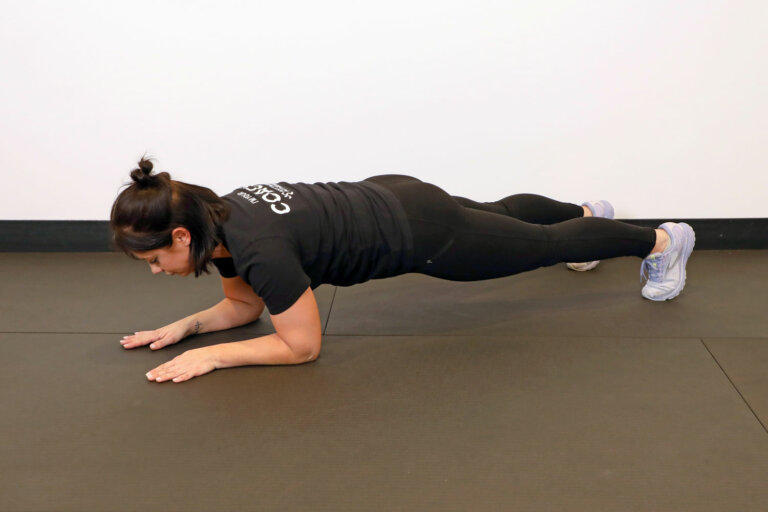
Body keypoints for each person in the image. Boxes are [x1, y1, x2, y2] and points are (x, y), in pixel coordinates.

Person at [111, 158, 695, 384]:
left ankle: (662, 241)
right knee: (500, 217)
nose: (158, 271)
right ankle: (588, 216)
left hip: (419, 235)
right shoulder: (223, 217)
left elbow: (303, 345)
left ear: (181, 234)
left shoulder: (255, 247)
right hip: (394, 192)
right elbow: (245, 307)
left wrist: (216, 355)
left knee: (535, 245)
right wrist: (190, 328)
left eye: (156, 259)